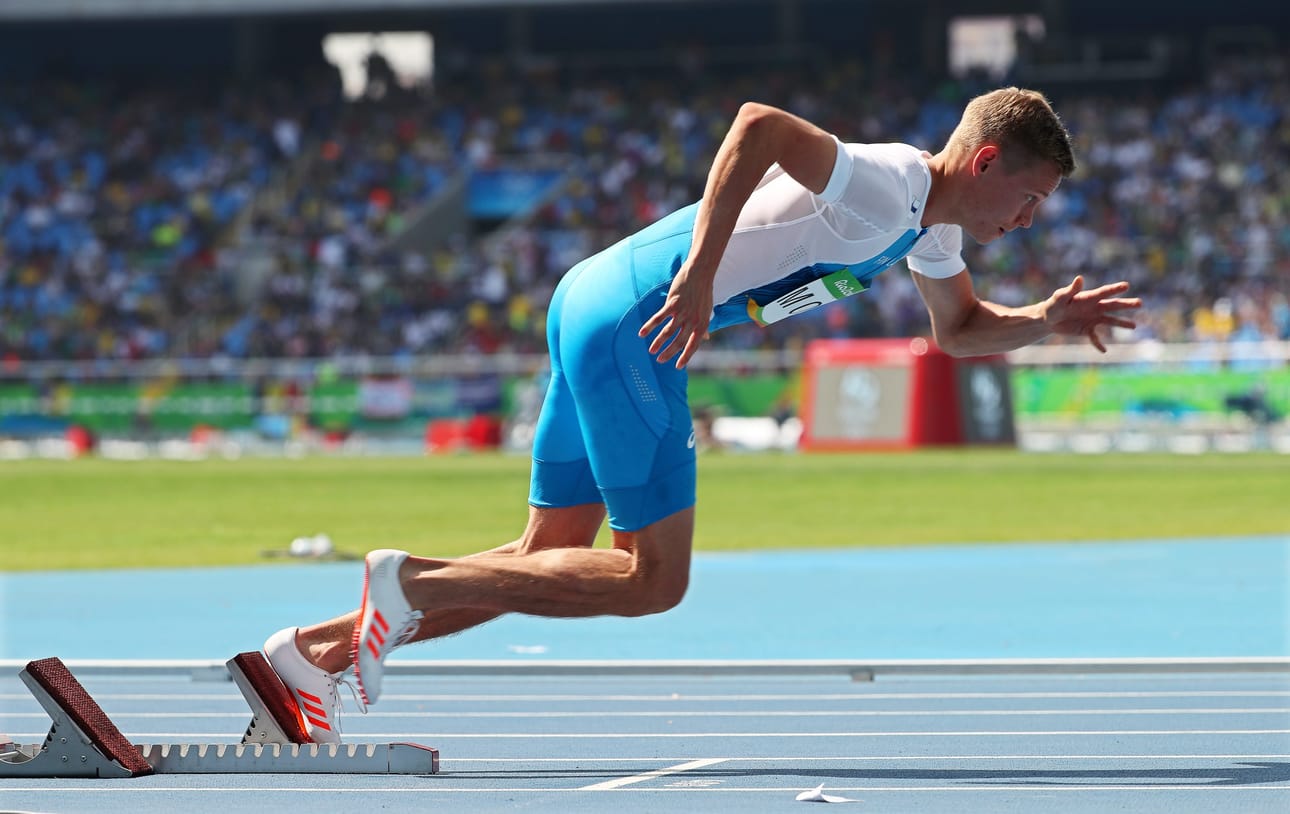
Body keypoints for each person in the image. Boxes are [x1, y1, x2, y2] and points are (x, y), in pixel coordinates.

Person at [262, 87, 1142, 742]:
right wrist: (695, 282)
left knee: (545, 558)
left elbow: (959, 331)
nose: (1029, 223)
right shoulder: (883, 185)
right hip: (639, 323)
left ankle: (307, 656)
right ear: (986, 162)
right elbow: (758, 125)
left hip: (593, 298)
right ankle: (406, 585)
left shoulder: (931, 229)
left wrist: (1045, 321)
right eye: (1030, 200)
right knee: (653, 579)